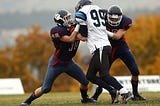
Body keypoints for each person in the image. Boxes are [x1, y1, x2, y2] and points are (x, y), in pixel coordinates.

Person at [21, 9, 96, 106]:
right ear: (60, 20)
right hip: (57, 63)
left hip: (69, 63)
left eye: (69, 17)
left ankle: (85, 99)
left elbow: (82, 37)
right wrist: (78, 27)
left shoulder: (72, 27)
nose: (69, 20)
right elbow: (70, 39)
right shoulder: (56, 31)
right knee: (46, 88)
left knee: (85, 81)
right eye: (66, 18)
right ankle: (27, 101)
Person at [75, 0, 132, 104]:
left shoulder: (83, 12)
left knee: (104, 75)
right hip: (103, 46)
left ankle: (125, 92)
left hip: (100, 47)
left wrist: (76, 33)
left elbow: (84, 36)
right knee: (90, 76)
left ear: (81, 6)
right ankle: (112, 90)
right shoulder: (98, 9)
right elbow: (98, 28)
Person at [91, 5, 146, 101]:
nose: (114, 20)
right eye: (111, 18)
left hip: (121, 47)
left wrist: (103, 30)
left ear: (121, 17)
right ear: (107, 16)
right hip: (108, 47)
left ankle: (136, 94)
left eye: (116, 19)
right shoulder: (102, 15)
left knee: (135, 71)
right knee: (103, 74)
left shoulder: (126, 21)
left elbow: (117, 36)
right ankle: (96, 95)